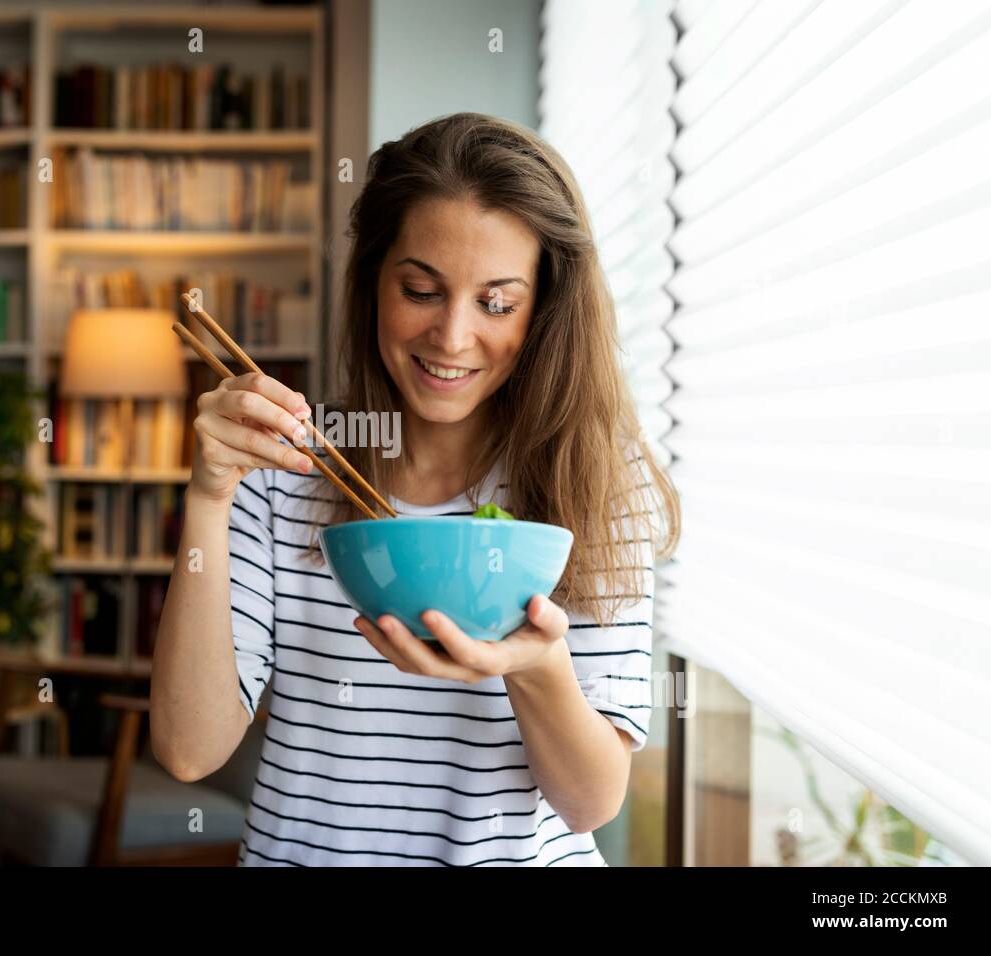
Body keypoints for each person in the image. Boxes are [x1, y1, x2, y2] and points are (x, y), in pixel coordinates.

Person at [150, 112, 680, 866]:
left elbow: (590, 803)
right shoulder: (287, 464)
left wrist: (535, 667)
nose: (453, 336)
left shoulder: (598, 481)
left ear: (545, 309)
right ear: (373, 281)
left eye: (497, 302)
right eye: (421, 290)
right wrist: (208, 498)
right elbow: (188, 749)